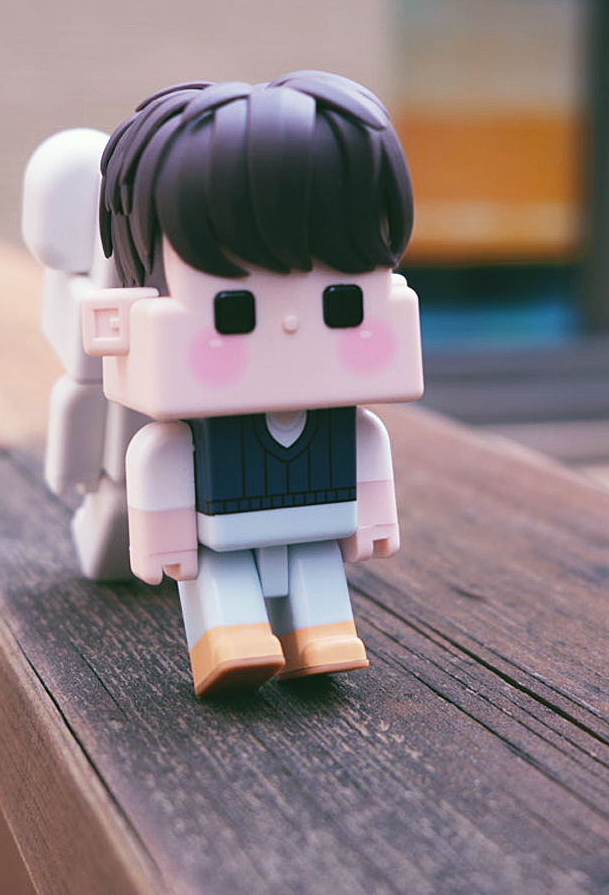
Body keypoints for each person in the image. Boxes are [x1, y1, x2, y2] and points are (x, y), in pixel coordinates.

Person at [82, 70, 424, 696]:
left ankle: (322, 636)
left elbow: (368, 448)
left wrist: (375, 520)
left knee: (316, 572)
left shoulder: (346, 422)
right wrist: (164, 543)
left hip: (317, 520)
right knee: (225, 577)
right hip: (223, 536)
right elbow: (157, 459)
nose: (290, 324)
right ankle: (228, 640)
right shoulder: (188, 429)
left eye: (342, 303)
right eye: (234, 310)